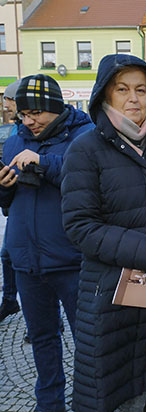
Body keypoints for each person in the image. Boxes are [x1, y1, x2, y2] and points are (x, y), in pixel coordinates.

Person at [61, 54, 146, 412]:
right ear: (106, 94)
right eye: (123, 89)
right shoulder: (85, 150)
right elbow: (80, 225)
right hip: (111, 296)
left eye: (141, 89)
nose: (133, 98)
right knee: (120, 395)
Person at [0, 74, 93, 412]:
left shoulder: (85, 136)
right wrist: (4, 186)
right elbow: (8, 204)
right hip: (26, 260)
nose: (28, 121)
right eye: (22, 115)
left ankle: (89, 401)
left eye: (35, 113)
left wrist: (45, 163)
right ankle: (49, 403)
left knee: (88, 341)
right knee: (42, 338)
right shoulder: (14, 140)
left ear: (54, 108)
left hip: (71, 259)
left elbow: (88, 180)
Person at [0, 79, 20, 323]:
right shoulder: (15, 131)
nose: (6, 109)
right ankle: (10, 300)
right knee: (7, 255)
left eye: (8, 104)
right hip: (15, 204)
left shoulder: (25, 128)